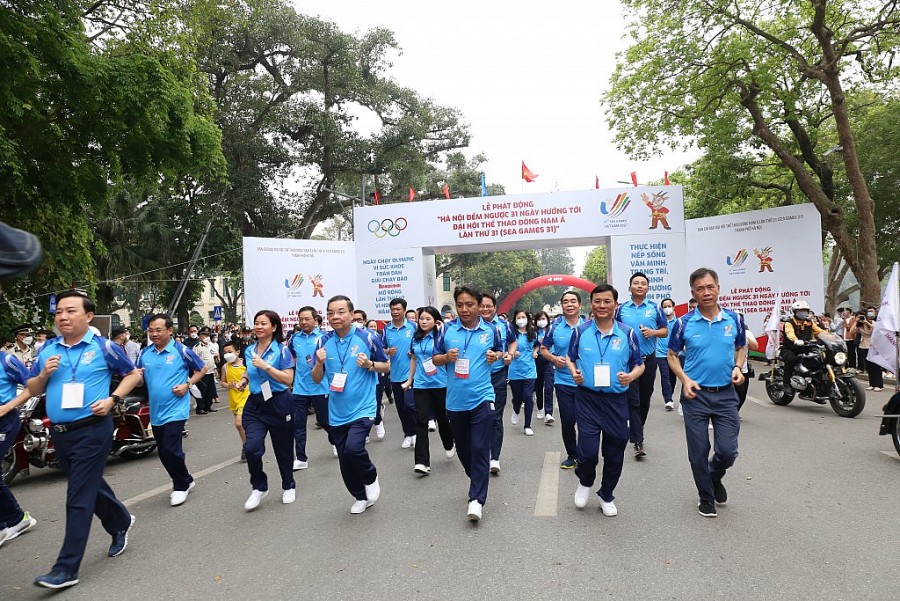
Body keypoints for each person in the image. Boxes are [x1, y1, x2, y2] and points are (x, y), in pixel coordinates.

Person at [27, 290, 141, 589]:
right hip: (60, 433)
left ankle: (66, 569)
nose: (63, 317)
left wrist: (113, 398)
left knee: (77, 497)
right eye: (59, 312)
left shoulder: (103, 347)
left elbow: (132, 375)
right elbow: (34, 388)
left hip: (93, 429)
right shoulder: (47, 349)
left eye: (70, 311)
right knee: (90, 486)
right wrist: (43, 374)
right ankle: (120, 521)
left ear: (88, 316)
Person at [667, 268, 746, 518]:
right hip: (695, 396)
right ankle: (705, 497)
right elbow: (671, 355)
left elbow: (741, 346)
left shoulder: (735, 319)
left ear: (719, 288)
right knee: (698, 451)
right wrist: (684, 379)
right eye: (700, 289)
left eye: (710, 287)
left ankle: (714, 477)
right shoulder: (683, 323)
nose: (706, 292)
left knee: (727, 451)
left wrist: (737, 367)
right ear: (693, 293)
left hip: (725, 396)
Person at [567, 284, 644, 515]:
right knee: (588, 451)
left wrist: (630, 376)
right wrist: (574, 372)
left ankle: (606, 494)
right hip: (587, 399)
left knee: (615, 449)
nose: (602, 306)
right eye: (598, 301)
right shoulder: (581, 332)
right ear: (592, 304)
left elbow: (638, 364)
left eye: (607, 301)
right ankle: (585, 481)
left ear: (615, 304)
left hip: (616, 401)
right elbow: (570, 358)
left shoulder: (627, 333)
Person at [311, 295, 389, 514]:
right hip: (337, 410)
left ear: (352, 314)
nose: (335, 317)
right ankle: (359, 496)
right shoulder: (322, 342)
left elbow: (386, 366)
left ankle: (370, 475)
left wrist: (370, 364)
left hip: (363, 407)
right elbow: (316, 379)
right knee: (344, 458)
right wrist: (319, 362)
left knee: (354, 448)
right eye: (330, 312)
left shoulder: (368, 337)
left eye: (340, 311)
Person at [433, 286, 503, 521]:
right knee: (464, 450)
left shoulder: (491, 330)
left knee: (480, 448)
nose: (464, 309)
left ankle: (476, 500)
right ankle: (476, 478)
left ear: (478, 305)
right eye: (460, 304)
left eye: (469, 304)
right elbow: (434, 358)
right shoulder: (446, 330)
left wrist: (496, 356)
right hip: (455, 402)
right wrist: (446, 358)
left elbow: (500, 353)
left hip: (483, 397)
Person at [136, 314, 208, 507]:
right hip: (156, 410)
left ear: (170, 330)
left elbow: (202, 368)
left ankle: (180, 486)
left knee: (171, 449)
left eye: (158, 330)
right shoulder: (144, 353)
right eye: (151, 330)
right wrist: (137, 377)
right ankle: (186, 478)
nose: (154, 334)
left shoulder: (181, 350)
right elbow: (139, 378)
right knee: (163, 452)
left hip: (176, 409)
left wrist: (187, 384)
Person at [235, 310, 296, 511]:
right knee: (251, 448)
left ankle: (288, 485)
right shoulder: (249, 350)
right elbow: (249, 370)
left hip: (279, 401)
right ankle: (259, 486)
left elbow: (288, 380)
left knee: (283, 449)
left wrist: (266, 366)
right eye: (256, 323)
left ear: (274, 327)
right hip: (255, 404)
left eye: (263, 323)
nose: (259, 327)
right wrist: (244, 379)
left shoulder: (282, 350)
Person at [615, 272, 668, 459]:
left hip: (649, 360)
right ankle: (638, 440)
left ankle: (637, 429)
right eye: (635, 283)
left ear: (647, 288)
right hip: (629, 362)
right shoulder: (621, 309)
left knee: (645, 400)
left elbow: (664, 331)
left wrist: (653, 332)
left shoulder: (655, 308)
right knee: (634, 401)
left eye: (643, 283)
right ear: (629, 288)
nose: (639, 286)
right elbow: (614, 329)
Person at [403, 306, 454, 475]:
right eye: (421, 319)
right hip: (421, 384)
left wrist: (441, 330)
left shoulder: (442, 336)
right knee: (421, 421)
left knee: (442, 418)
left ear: (435, 321)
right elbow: (414, 360)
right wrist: (410, 380)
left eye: (428, 319)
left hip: (440, 383)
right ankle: (422, 462)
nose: (424, 322)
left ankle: (449, 443)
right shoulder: (415, 338)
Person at [541, 291, 586, 469]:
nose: (570, 304)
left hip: (585, 382)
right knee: (568, 420)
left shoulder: (589, 326)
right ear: (562, 305)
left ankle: (585, 454)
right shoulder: (555, 327)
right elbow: (544, 349)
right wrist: (553, 358)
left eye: (573, 301)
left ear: (579, 305)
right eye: (566, 302)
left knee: (586, 422)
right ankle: (572, 454)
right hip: (563, 382)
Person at [0, 350, 38, 548]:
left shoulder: (7, 361)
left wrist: (8, 407)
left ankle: (16, 519)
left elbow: (32, 386)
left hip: (5, 421)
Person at [289, 305, 334, 470]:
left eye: (307, 319)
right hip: (300, 389)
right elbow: (290, 359)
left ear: (316, 320)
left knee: (324, 421)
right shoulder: (294, 339)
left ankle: (335, 440)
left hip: (321, 387)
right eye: (301, 319)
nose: (303, 322)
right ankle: (301, 458)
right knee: (298, 424)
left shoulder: (325, 337)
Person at [479, 294, 513, 474]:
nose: (485, 309)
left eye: (488, 306)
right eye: (482, 306)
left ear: (495, 307)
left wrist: (509, 354)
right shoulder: (471, 327)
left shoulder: (504, 325)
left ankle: (494, 458)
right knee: (478, 418)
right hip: (475, 379)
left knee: (495, 417)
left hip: (497, 376)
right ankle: (480, 452)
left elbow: (512, 342)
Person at [382, 298, 418, 448]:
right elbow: (382, 349)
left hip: (411, 374)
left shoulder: (413, 327)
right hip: (395, 375)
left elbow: (421, 345)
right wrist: (388, 351)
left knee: (410, 404)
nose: (395, 312)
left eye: (398, 309)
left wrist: (414, 352)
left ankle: (416, 433)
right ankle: (408, 434)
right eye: (393, 309)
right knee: (401, 408)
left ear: (404, 310)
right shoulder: (386, 329)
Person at [781, 300, 824, 392]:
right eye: (801, 311)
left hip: (806, 348)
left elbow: (819, 331)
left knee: (819, 359)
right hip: (791, 348)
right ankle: (786, 383)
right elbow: (790, 334)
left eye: (805, 311)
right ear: (795, 312)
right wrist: (795, 340)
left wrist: (830, 337)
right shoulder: (789, 323)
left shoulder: (809, 322)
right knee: (791, 359)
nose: (803, 313)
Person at [509, 309, 539, 436]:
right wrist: (512, 352)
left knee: (528, 397)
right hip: (515, 371)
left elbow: (537, 345)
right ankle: (516, 410)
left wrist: (535, 351)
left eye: (523, 317)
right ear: (515, 320)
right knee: (517, 398)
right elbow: (506, 347)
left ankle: (527, 425)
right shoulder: (512, 334)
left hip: (529, 371)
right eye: (518, 317)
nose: (521, 319)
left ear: (528, 319)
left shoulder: (533, 333)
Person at [219, 340, 249, 460]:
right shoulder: (225, 367)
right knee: (242, 425)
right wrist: (229, 385)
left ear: (237, 352)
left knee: (238, 423)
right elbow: (222, 382)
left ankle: (247, 447)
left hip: (246, 397)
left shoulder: (245, 365)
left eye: (230, 352)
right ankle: (246, 444)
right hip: (234, 399)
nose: (227, 355)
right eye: (225, 352)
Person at [851, 308, 883, 391]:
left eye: (861, 317)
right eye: (858, 317)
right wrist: (856, 322)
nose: (860, 318)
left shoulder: (872, 322)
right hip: (864, 345)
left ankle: (878, 385)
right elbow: (852, 331)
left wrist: (866, 322)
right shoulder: (859, 325)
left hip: (873, 344)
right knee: (868, 366)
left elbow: (875, 330)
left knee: (875, 365)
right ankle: (872, 384)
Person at [656, 298, 678, 411]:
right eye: (664, 307)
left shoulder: (678, 322)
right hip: (660, 354)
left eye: (669, 306)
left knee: (672, 377)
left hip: (673, 353)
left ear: (673, 307)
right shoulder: (659, 323)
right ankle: (668, 399)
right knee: (665, 376)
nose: (667, 309)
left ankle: (670, 394)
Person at [533, 310, 555, 420]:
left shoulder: (552, 331)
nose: (541, 321)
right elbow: (530, 346)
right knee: (538, 386)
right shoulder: (534, 332)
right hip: (537, 361)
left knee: (549, 387)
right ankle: (540, 408)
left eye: (543, 319)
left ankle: (549, 412)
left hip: (549, 360)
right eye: (539, 319)